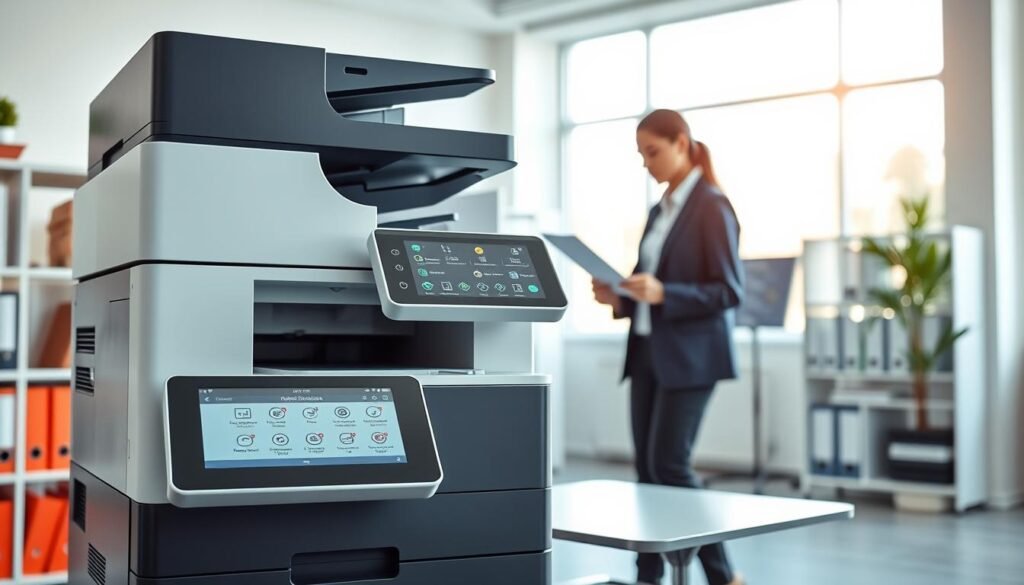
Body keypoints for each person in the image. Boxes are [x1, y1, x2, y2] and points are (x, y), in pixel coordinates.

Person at [592, 109, 745, 585]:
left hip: (692, 357)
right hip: (646, 352)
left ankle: (723, 575)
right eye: (640, 154)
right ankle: (648, 578)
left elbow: (728, 291)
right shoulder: (661, 210)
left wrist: (665, 294)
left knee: (670, 465)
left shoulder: (712, 207)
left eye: (652, 152)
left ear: (682, 143)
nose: (646, 163)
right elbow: (647, 283)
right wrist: (618, 295)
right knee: (647, 471)